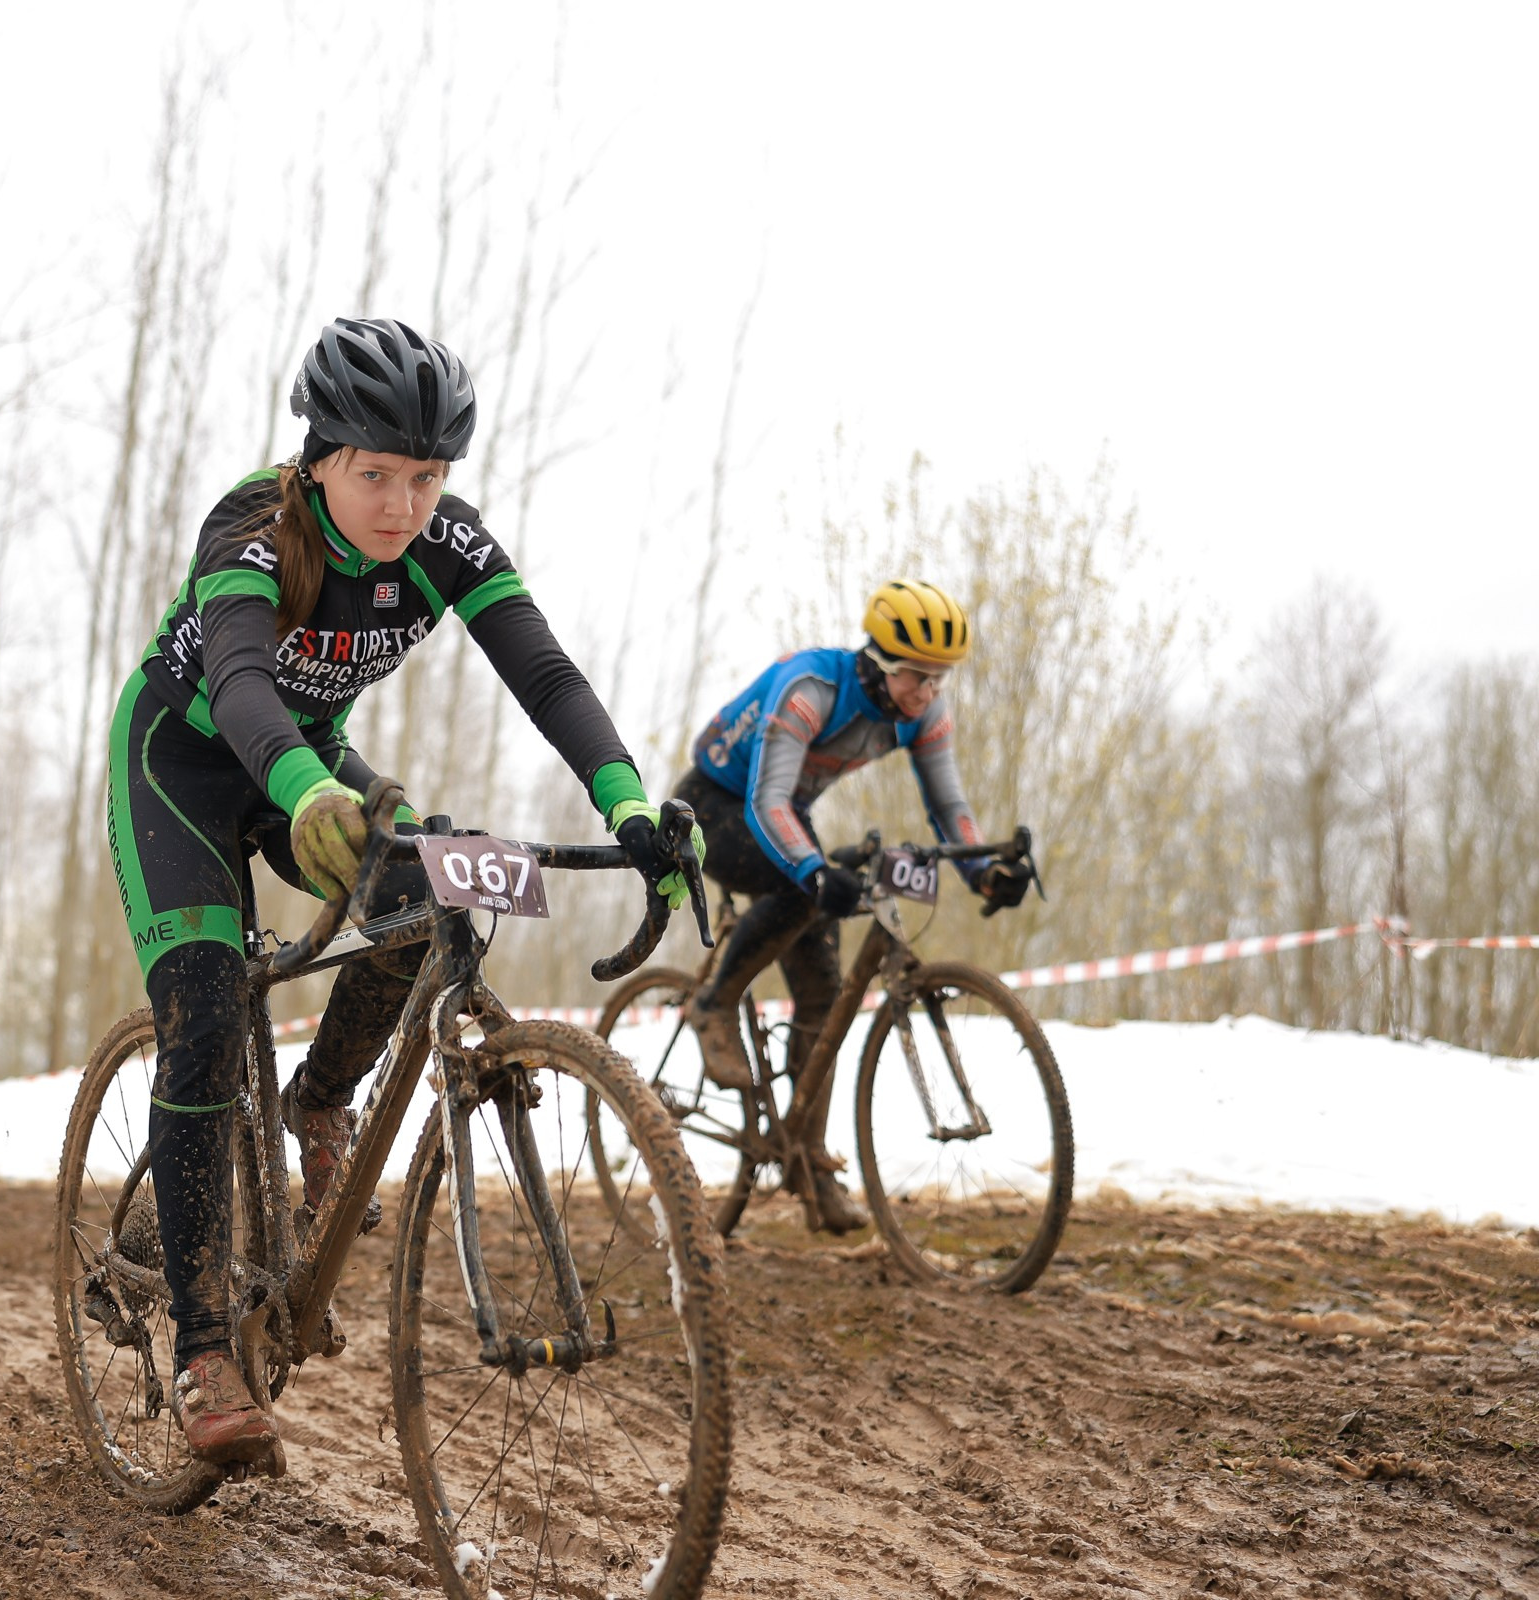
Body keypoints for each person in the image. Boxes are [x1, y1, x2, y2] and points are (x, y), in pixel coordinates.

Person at [107, 317, 689, 1464]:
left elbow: (544, 672)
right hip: (185, 764)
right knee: (207, 1019)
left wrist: (627, 801)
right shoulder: (253, 524)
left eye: (427, 477)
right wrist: (303, 793)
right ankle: (204, 1349)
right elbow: (238, 677)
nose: (404, 505)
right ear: (319, 456)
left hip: (317, 764)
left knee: (428, 894)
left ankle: (321, 1100)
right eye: (376, 474)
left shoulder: (446, 541)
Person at [676, 580, 1032, 1233]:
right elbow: (765, 801)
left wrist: (985, 872)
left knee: (825, 996)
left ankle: (806, 1162)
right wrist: (813, 872)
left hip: (784, 809)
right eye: (918, 676)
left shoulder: (924, 712)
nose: (928, 692)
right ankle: (712, 1004)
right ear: (882, 661)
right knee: (802, 889)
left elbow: (948, 804)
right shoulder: (812, 688)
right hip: (713, 806)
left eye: (941, 678)